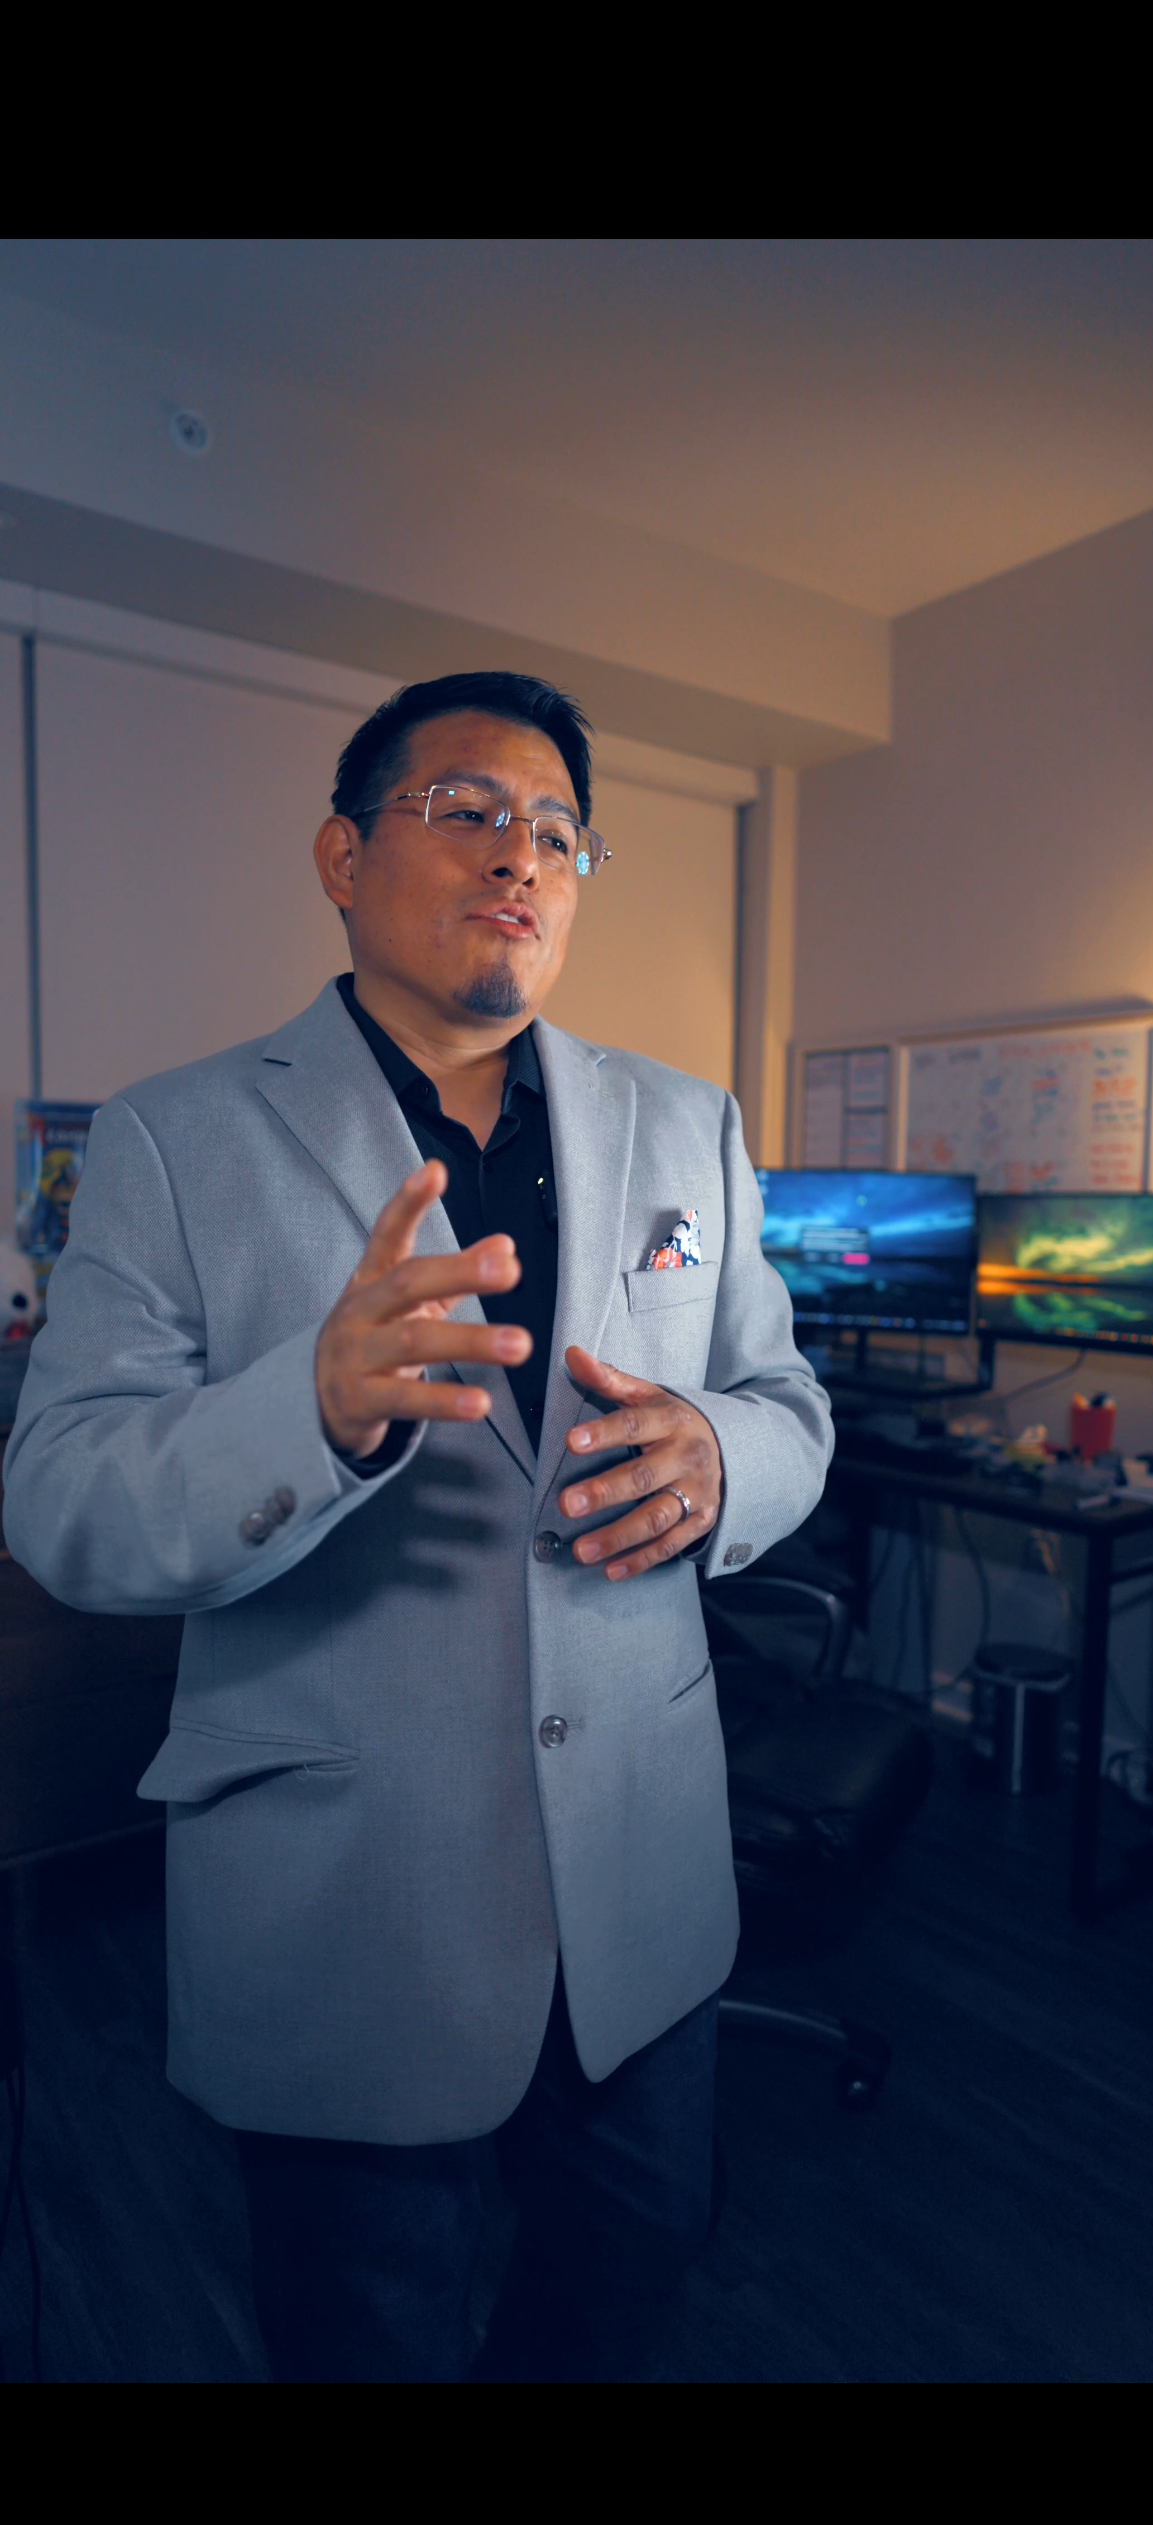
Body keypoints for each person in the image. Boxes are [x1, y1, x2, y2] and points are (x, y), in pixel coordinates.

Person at [4, 671, 833, 2382]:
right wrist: (305, 1406)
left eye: (554, 830)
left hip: (640, 1889)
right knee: (358, 2330)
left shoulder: (695, 1125)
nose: (517, 856)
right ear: (340, 853)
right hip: (344, 1895)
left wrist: (720, 1463)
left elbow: (785, 1403)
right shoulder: (172, 1136)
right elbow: (61, 1500)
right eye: (463, 808)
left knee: (623, 2288)